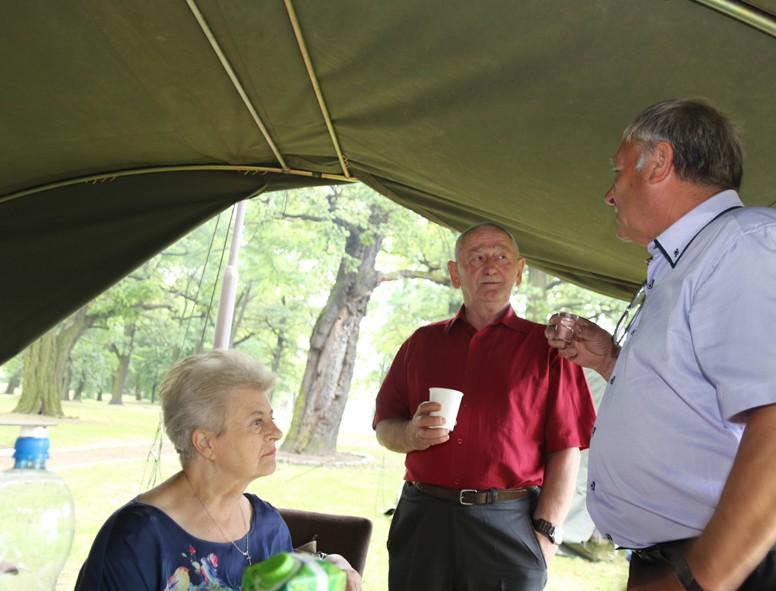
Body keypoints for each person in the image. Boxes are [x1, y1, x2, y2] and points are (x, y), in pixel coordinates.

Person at [547, 98, 776, 590]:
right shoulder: (693, 259)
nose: (609, 194)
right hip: (705, 566)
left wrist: (696, 580)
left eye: (619, 170)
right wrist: (610, 360)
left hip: (742, 570)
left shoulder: (751, 244)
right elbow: (696, 399)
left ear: (660, 163)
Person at [374, 222, 596, 590]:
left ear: (520, 271)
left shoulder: (548, 351)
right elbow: (384, 427)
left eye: (502, 257)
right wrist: (411, 434)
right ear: (454, 273)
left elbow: (566, 450)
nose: (490, 267)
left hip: (508, 522)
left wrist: (546, 533)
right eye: (477, 257)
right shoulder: (421, 344)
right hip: (423, 518)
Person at [75, 350, 361, 591]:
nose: (277, 432)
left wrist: (326, 567)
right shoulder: (136, 539)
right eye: (257, 423)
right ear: (206, 442)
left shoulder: (269, 528)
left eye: (270, 418)